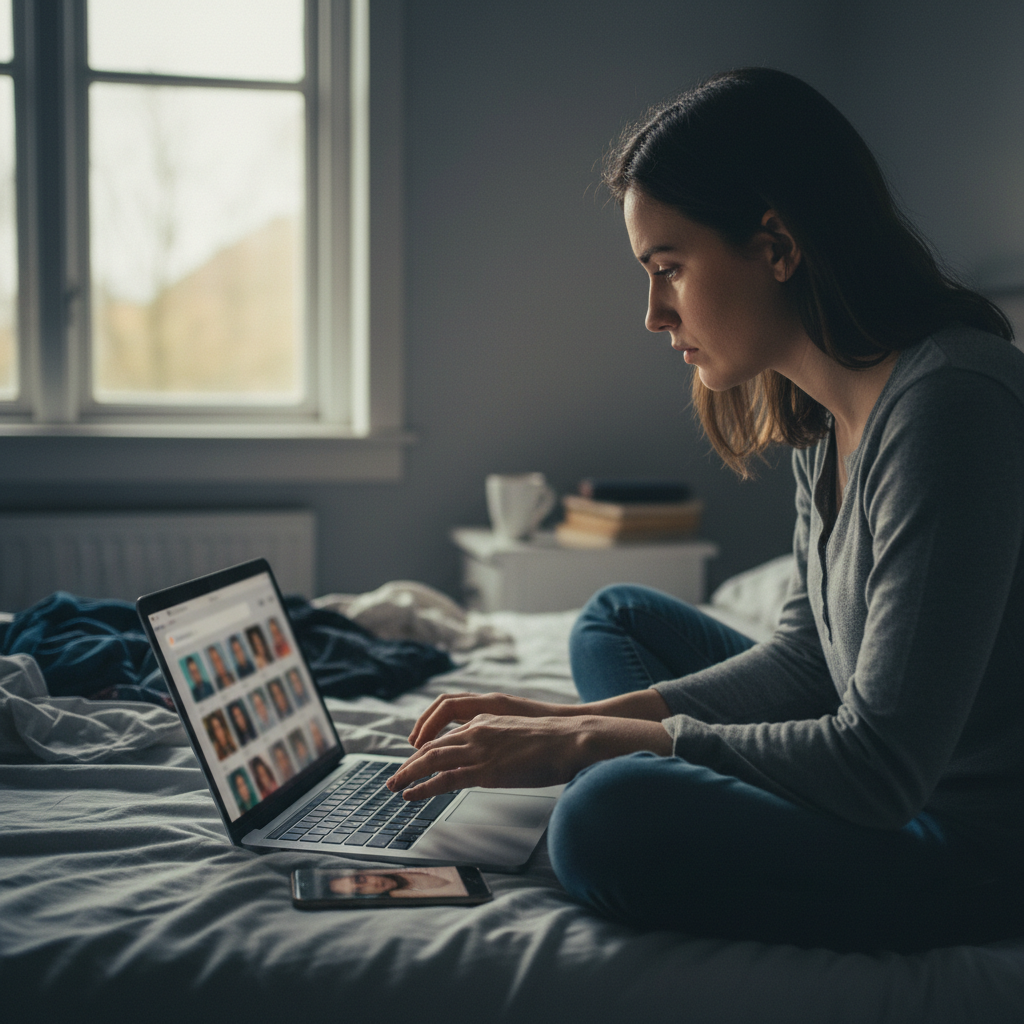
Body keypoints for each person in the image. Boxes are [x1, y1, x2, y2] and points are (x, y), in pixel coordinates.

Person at [385, 68, 1024, 952]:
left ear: (777, 244)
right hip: (873, 766)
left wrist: (589, 750)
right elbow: (808, 663)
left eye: (670, 269)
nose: (653, 314)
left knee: (606, 813)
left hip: (961, 839)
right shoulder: (824, 415)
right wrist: (557, 723)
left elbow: (882, 769)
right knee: (614, 619)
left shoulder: (952, 401)